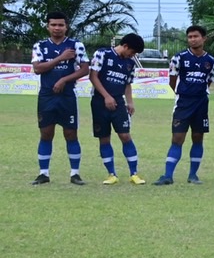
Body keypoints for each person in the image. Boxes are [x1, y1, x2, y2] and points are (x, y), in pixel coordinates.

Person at [32, 11, 89, 185]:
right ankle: (43, 174)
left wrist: (64, 79)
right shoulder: (40, 46)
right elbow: (38, 68)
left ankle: (75, 174)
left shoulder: (75, 45)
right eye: (54, 25)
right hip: (47, 96)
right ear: (47, 26)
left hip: (67, 96)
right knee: (46, 134)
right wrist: (61, 58)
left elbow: (85, 69)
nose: (57, 28)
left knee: (71, 134)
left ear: (66, 26)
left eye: (61, 25)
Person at [156, 25, 214, 185]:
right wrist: (184, 92)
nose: (192, 39)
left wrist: (198, 93)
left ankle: (193, 175)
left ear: (204, 38)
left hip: (201, 104)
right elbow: (172, 80)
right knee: (177, 138)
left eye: (195, 36)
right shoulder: (179, 58)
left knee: (198, 138)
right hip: (183, 103)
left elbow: (208, 81)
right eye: (189, 37)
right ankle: (167, 175)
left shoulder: (211, 61)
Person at [88, 32, 145, 184]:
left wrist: (130, 102)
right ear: (125, 46)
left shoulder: (130, 63)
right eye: (132, 52)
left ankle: (134, 174)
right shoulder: (103, 54)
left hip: (119, 103)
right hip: (99, 103)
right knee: (104, 138)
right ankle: (111, 174)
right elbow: (93, 76)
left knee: (125, 136)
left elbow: (127, 83)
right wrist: (106, 96)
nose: (132, 56)